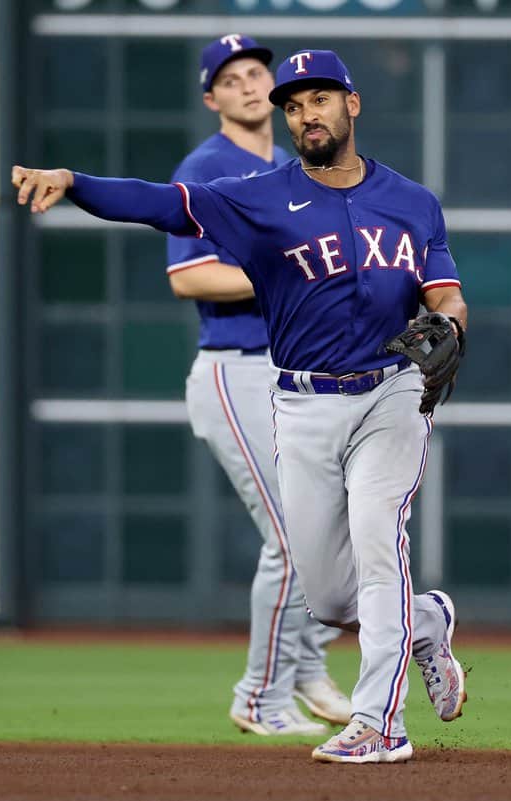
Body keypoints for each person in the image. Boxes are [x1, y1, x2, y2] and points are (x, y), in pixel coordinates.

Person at [13, 48, 468, 764]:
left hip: (391, 390)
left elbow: (443, 291)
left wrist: (454, 323)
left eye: (318, 98)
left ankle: (380, 722)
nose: (303, 113)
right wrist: (72, 182)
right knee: (324, 593)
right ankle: (426, 621)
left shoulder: (412, 201)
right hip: (301, 402)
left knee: (380, 541)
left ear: (352, 104)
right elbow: (156, 202)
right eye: (292, 105)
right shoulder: (259, 197)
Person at [169, 34, 349, 737]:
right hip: (236, 367)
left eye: (257, 73)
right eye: (232, 77)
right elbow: (186, 275)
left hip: (296, 374)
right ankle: (259, 695)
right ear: (211, 98)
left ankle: (303, 667)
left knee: (332, 527)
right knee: (292, 537)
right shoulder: (207, 167)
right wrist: (282, 272)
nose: (250, 84)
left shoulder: (288, 165)